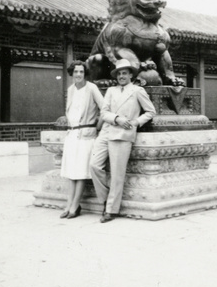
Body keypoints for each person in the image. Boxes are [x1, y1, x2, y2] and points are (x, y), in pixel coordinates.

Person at [90, 58, 156, 223]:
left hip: (123, 134)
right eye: (119, 73)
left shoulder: (137, 91)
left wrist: (135, 123)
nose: (121, 76)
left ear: (130, 75)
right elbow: (103, 113)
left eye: (124, 73)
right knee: (94, 165)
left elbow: (150, 111)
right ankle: (106, 199)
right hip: (107, 130)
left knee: (117, 174)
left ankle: (111, 209)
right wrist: (117, 118)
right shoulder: (111, 91)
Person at [60, 60, 103, 219]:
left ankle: (75, 205)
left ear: (85, 74)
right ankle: (69, 204)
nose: (78, 74)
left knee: (80, 172)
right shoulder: (71, 89)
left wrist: (96, 127)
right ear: (72, 73)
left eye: (81, 72)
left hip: (86, 136)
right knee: (71, 172)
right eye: (76, 71)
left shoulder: (92, 88)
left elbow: (104, 108)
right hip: (72, 135)